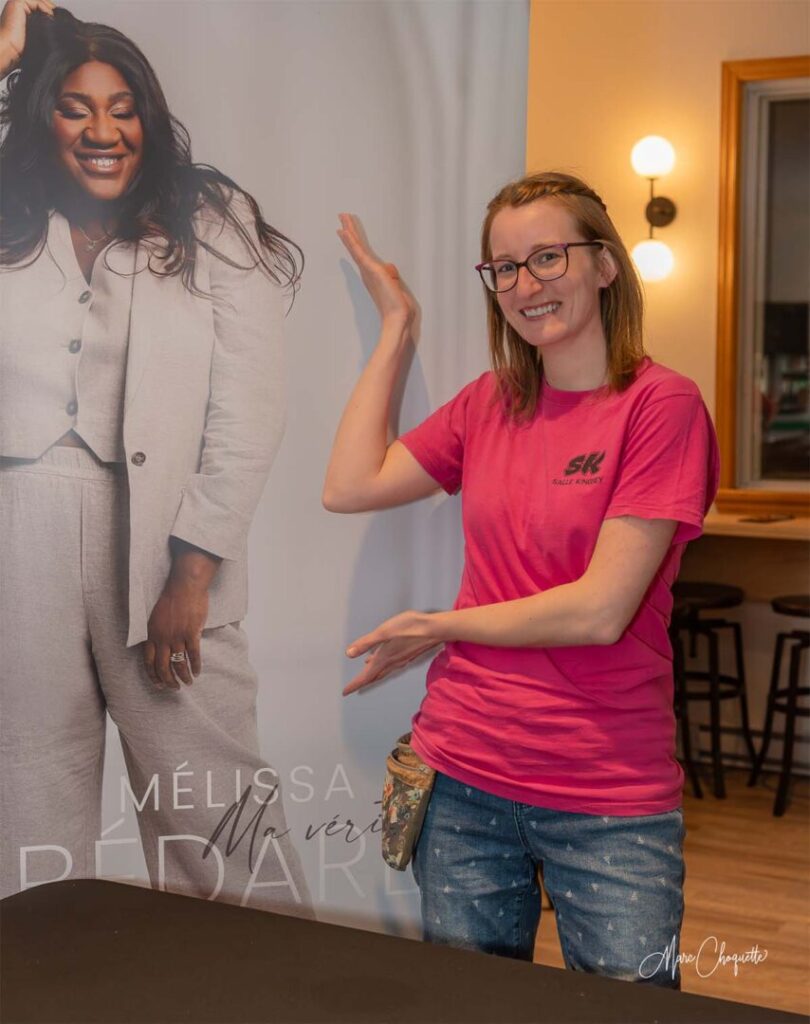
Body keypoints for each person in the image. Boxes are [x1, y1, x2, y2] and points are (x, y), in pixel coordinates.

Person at [324, 171, 719, 987]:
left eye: (547, 258)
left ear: (604, 265)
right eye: (504, 268)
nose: (524, 285)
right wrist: (399, 325)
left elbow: (601, 610)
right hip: (463, 777)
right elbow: (350, 484)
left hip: (607, 793)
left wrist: (439, 626)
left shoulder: (661, 407)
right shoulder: (492, 403)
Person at [0, 3, 312, 916]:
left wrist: (193, 569)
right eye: (73, 106)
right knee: (27, 807)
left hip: (164, 533)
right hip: (21, 535)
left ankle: (269, 995)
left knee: (212, 809)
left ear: (150, 113)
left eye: (123, 105)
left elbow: (248, 407)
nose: (103, 129)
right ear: (39, 118)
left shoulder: (210, 217)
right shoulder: (9, 213)